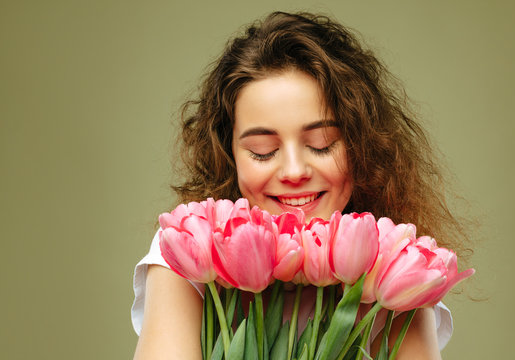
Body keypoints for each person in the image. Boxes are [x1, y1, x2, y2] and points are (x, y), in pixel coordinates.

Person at [132, 11, 471, 359]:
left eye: (322, 144)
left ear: (361, 147)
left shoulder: (398, 269)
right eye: (263, 151)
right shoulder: (190, 246)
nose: (294, 171)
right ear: (230, 156)